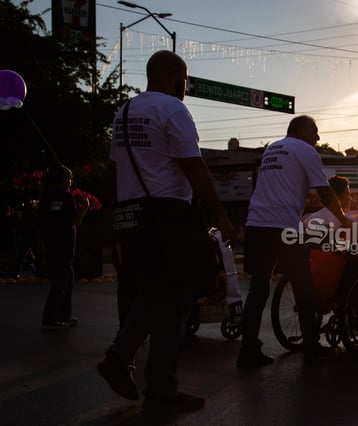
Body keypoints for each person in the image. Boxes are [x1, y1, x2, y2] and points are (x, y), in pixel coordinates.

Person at [98, 50, 234, 413]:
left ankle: (121, 357)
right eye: (185, 79)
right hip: (167, 215)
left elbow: (120, 166)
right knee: (176, 300)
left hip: (131, 216)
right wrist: (219, 215)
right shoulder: (173, 109)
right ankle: (160, 387)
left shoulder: (124, 112)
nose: (185, 87)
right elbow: (193, 166)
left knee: (154, 294)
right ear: (174, 75)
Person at [237, 115, 353, 368]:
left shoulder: (271, 149)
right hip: (284, 228)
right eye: (315, 132)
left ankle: (247, 350)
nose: (318, 138)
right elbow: (325, 189)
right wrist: (344, 221)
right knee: (304, 287)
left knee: (258, 289)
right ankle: (311, 347)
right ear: (301, 130)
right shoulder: (305, 149)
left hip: (256, 224)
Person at [38, 165, 89, 330]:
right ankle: (51, 317)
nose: (70, 181)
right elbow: (74, 222)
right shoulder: (66, 198)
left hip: (52, 245)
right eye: (69, 178)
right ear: (62, 179)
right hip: (65, 246)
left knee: (67, 280)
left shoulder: (46, 197)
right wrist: (85, 207)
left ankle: (63, 315)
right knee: (61, 283)